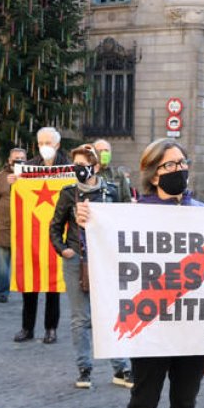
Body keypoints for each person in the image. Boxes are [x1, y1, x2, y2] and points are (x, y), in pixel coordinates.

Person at [79, 139, 204, 408]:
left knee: (185, 404)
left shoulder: (201, 210)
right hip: (151, 328)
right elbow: (98, 242)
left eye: (182, 163)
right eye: (171, 165)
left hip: (190, 326)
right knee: (144, 403)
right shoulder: (134, 212)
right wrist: (87, 223)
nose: (179, 170)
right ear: (154, 174)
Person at [49, 144, 131, 389]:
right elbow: (55, 226)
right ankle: (84, 369)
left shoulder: (112, 191)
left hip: (105, 260)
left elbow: (124, 222)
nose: (79, 171)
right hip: (76, 260)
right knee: (80, 318)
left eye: (83, 166)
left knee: (111, 314)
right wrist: (63, 249)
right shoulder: (68, 193)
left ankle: (121, 368)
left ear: (95, 166)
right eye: (76, 166)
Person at [17, 126, 68, 344]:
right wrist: (13, 184)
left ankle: (51, 328)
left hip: (57, 231)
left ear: (57, 145)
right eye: (41, 143)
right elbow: (19, 198)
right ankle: (27, 328)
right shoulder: (27, 167)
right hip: (32, 232)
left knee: (52, 285)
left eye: (48, 143)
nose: (44, 147)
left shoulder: (67, 167)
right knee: (30, 283)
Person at [0, 148, 28, 303]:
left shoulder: (32, 178)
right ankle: (2, 292)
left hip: (26, 227)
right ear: (9, 160)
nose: (18, 161)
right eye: (15, 158)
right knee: (4, 262)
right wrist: (1, 215)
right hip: (5, 226)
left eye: (22, 158)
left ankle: (27, 289)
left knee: (25, 261)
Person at [93, 139, 133, 203]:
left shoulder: (118, 174)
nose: (104, 153)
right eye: (100, 151)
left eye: (106, 151)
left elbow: (127, 199)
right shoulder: (90, 174)